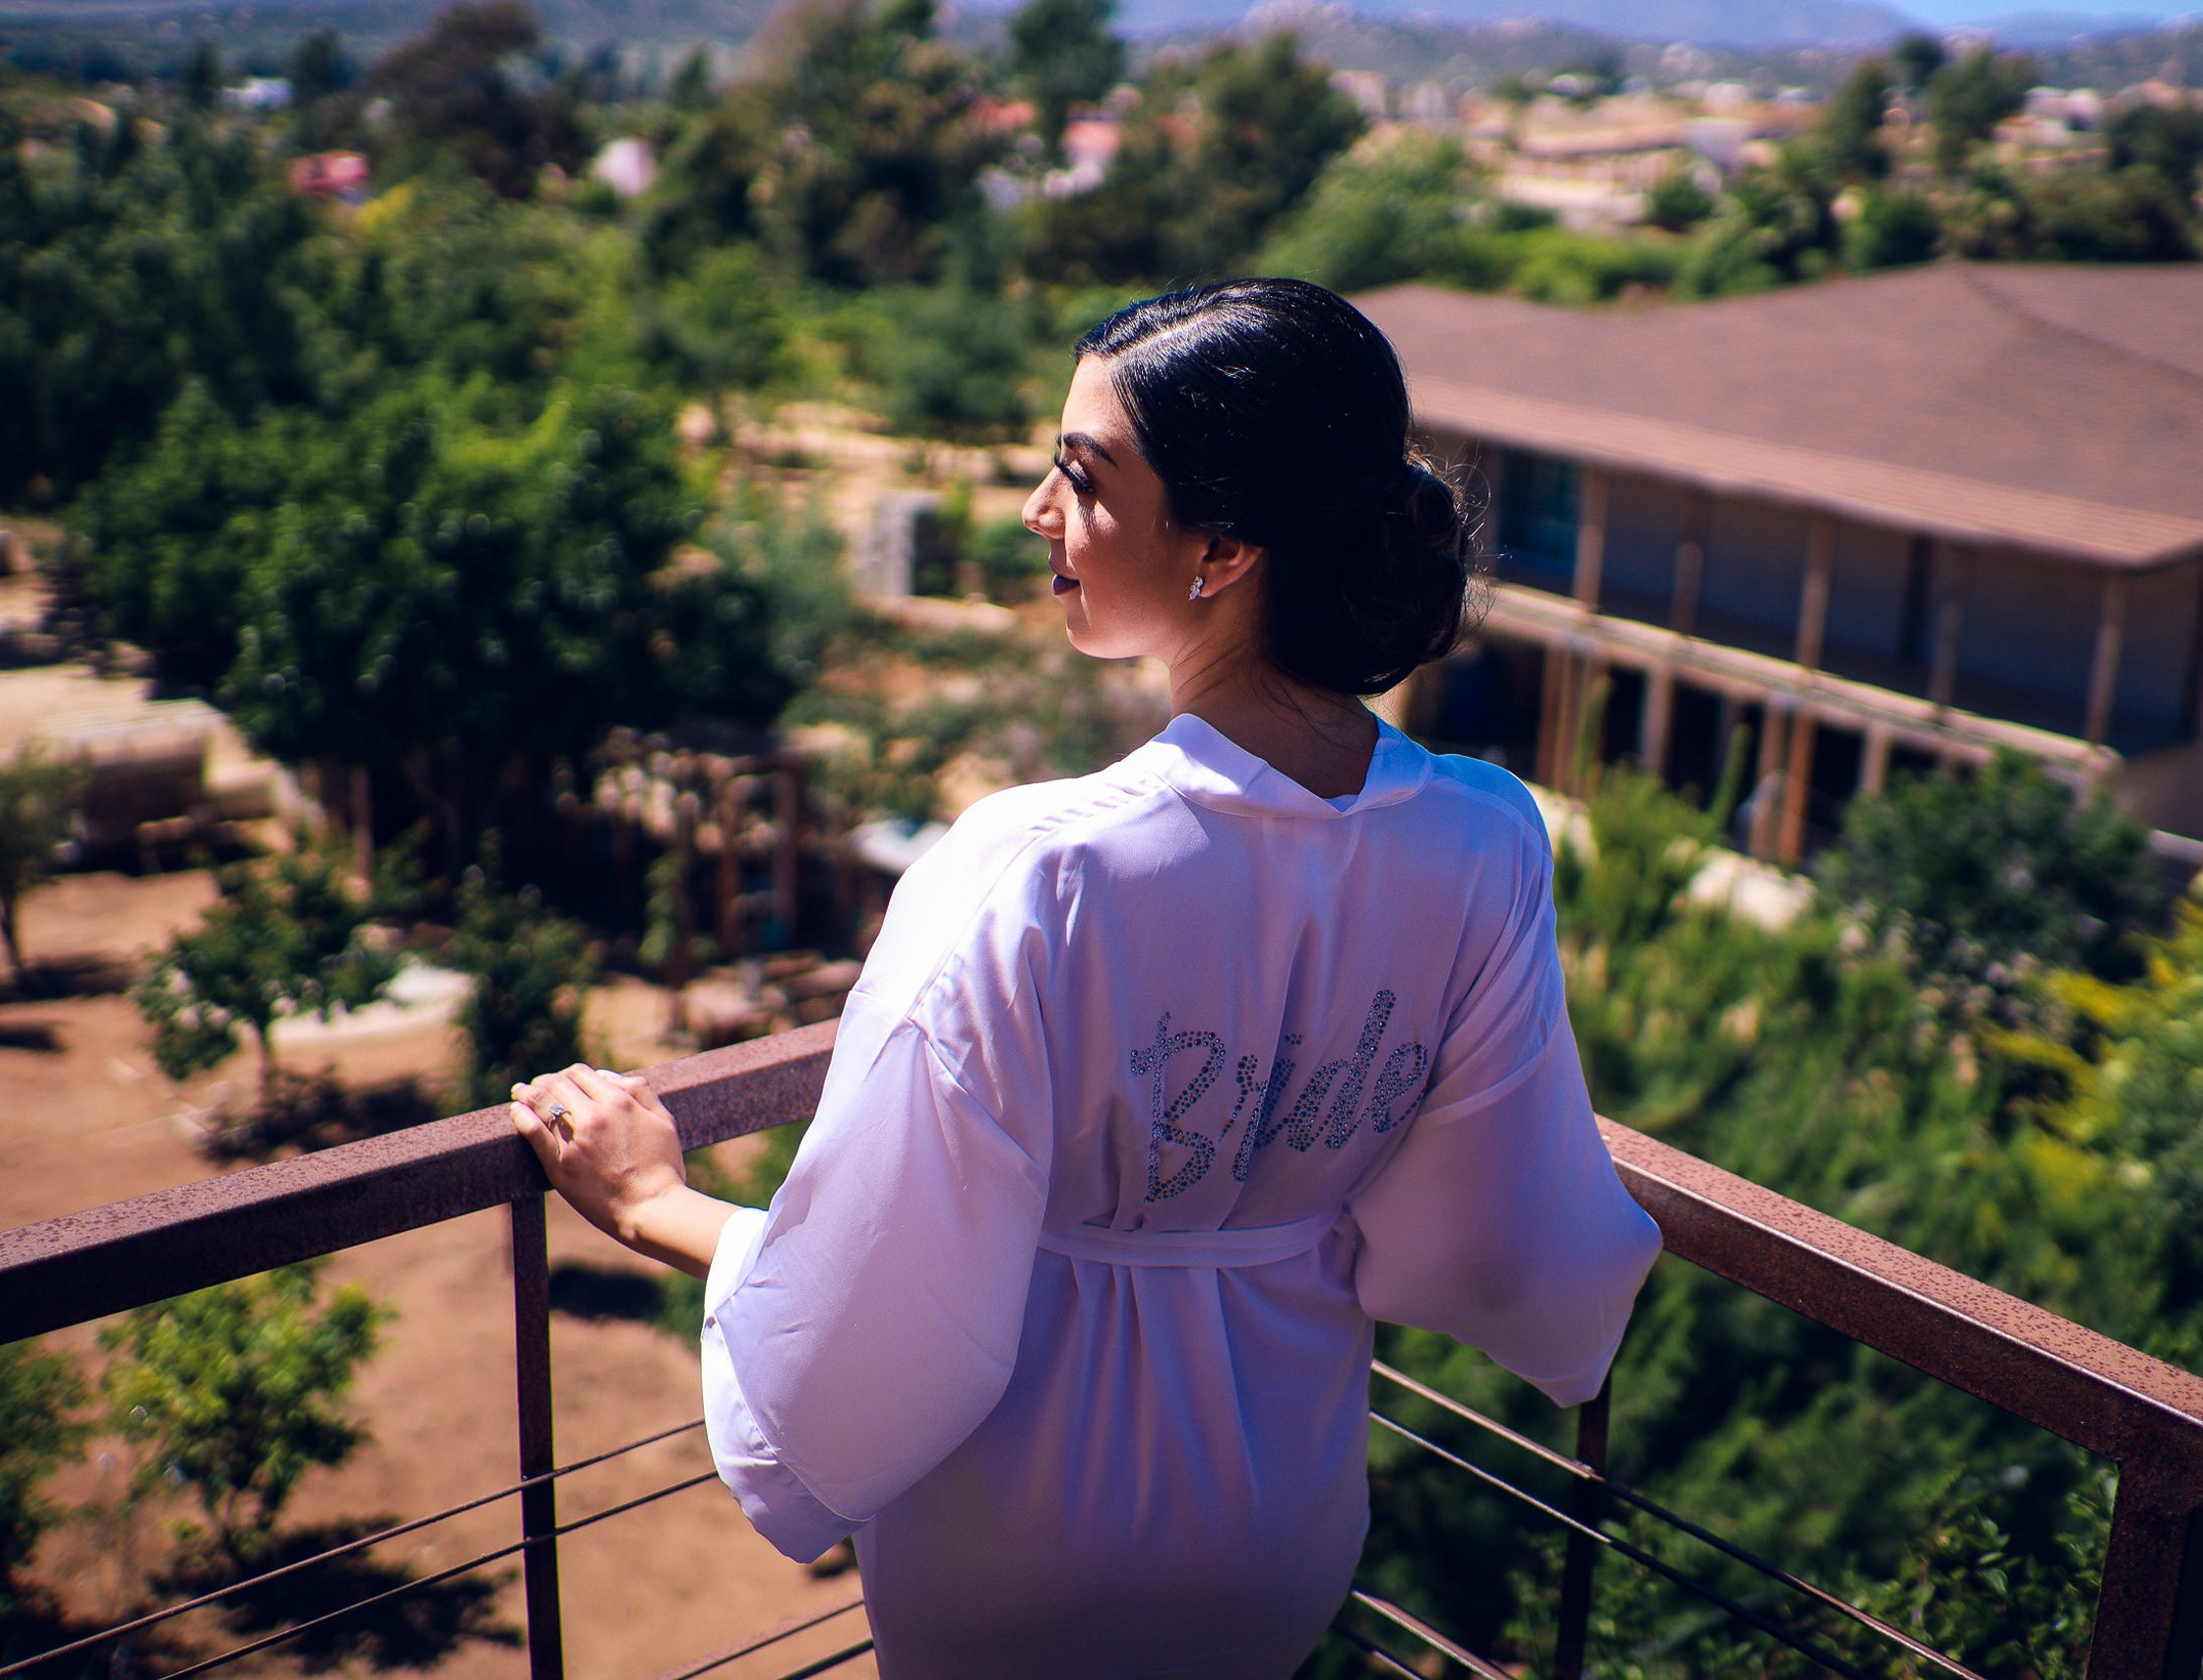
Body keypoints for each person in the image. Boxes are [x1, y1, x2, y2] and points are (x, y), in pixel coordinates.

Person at [511, 278, 1663, 1679]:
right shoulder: (1484, 834)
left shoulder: (1037, 867)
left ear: (1222, 544)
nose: (1035, 511)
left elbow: (883, 1283)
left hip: (1026, 1528)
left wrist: (652, 1201)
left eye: (1084, 476)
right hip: (1284, 1510)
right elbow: (1498, 1218)